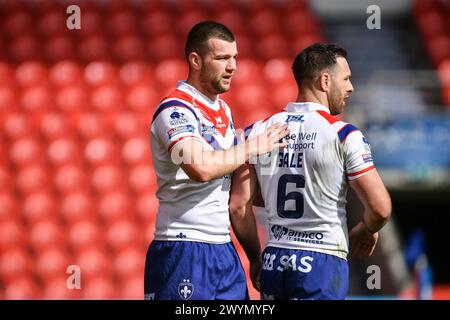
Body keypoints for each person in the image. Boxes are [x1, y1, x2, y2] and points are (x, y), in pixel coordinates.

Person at [229, 43, 392, 300]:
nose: (351, 87)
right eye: (346, 79)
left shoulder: (257, 132)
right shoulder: (343, 134)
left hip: (275, 259)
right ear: (325, 81)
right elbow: (380, 208)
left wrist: (256, 259)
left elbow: (238, 207)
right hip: (321, 262)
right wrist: (367, 229)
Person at [145, 21, 289, 300]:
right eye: (222, 58)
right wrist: (251, 147)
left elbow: (236, 201)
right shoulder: (175, 110)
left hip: (223, 250)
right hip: (184, 247)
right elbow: (200, 168)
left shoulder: (222, 109)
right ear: (195, 60)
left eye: (235, 57)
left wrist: (255, 256)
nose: (233, 66)